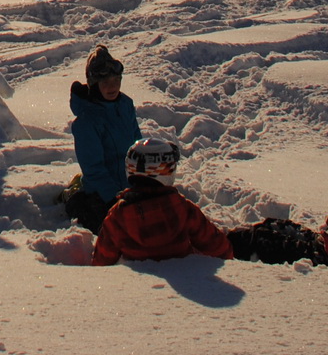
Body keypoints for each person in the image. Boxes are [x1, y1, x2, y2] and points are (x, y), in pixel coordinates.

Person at [92, 134, 234, 265]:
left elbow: (102, 261)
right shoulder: (181, 207)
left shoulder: (117, 215)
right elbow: (218, 247)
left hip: (138, 284)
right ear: (167, 170)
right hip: (185, 277)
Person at [64, 46, 138, 233]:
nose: (112, 87)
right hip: (104, 193)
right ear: (94, 84)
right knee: (116, 230)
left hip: (130, 186)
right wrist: (115, 197)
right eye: (105, 82)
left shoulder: (125, 105)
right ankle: (74, 197)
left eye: (115, 80)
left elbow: (137, 146)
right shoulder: (87, 122)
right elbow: (94, 168)